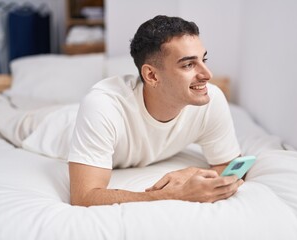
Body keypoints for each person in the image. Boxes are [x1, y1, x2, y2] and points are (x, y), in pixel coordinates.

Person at [67, 15, 243, 206]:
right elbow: (84, 196)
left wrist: (192, 172)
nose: (208, 74)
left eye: (204, 59)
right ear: (151, 75)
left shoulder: (211, 99)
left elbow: (231, 165)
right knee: (31, 121)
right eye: (188, 64)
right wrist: (176, 194)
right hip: (63, 128)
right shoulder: (103, 107)